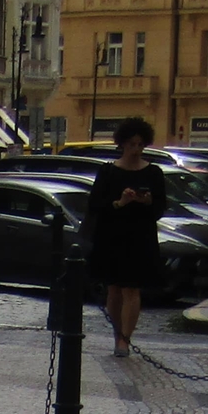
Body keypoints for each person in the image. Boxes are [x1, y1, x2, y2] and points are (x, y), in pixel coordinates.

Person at [84, 117, 166, 357]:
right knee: (114, 289)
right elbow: (95, 206)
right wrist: (120, 202)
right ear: (122, 144)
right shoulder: (108, 172)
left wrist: (147, 202)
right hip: (112, 236)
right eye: (132, 144)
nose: (136, 149)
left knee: (132, 289)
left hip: (140, 237)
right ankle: (117, 332)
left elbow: (160, 209)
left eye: (140, 145)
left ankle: (125, 339)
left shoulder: (153, 172)